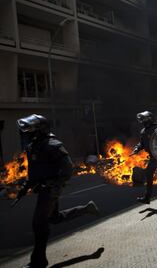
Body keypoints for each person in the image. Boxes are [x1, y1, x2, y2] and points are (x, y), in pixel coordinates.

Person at [14, 114, 99, 268]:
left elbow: (68, 168)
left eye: (31, 130)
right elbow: (33, 173)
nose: (28, 133)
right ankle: (87, 208)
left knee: (39, 223)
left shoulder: (53, 144)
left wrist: (54, 184)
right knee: (54, 218)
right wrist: (24, 188)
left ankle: (38, 261)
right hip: (44, 188)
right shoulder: (33, 146)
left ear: (40, 130)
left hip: (51, 190)